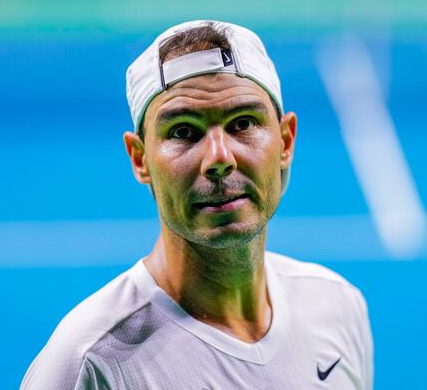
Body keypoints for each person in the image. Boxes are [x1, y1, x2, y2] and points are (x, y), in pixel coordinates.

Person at [20, 20, 373, 390]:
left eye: (243, 123)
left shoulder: (337, 307)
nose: (219, 158)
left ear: (285, 142)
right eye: (183, 131)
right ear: (139, 159)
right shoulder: (89, 365)